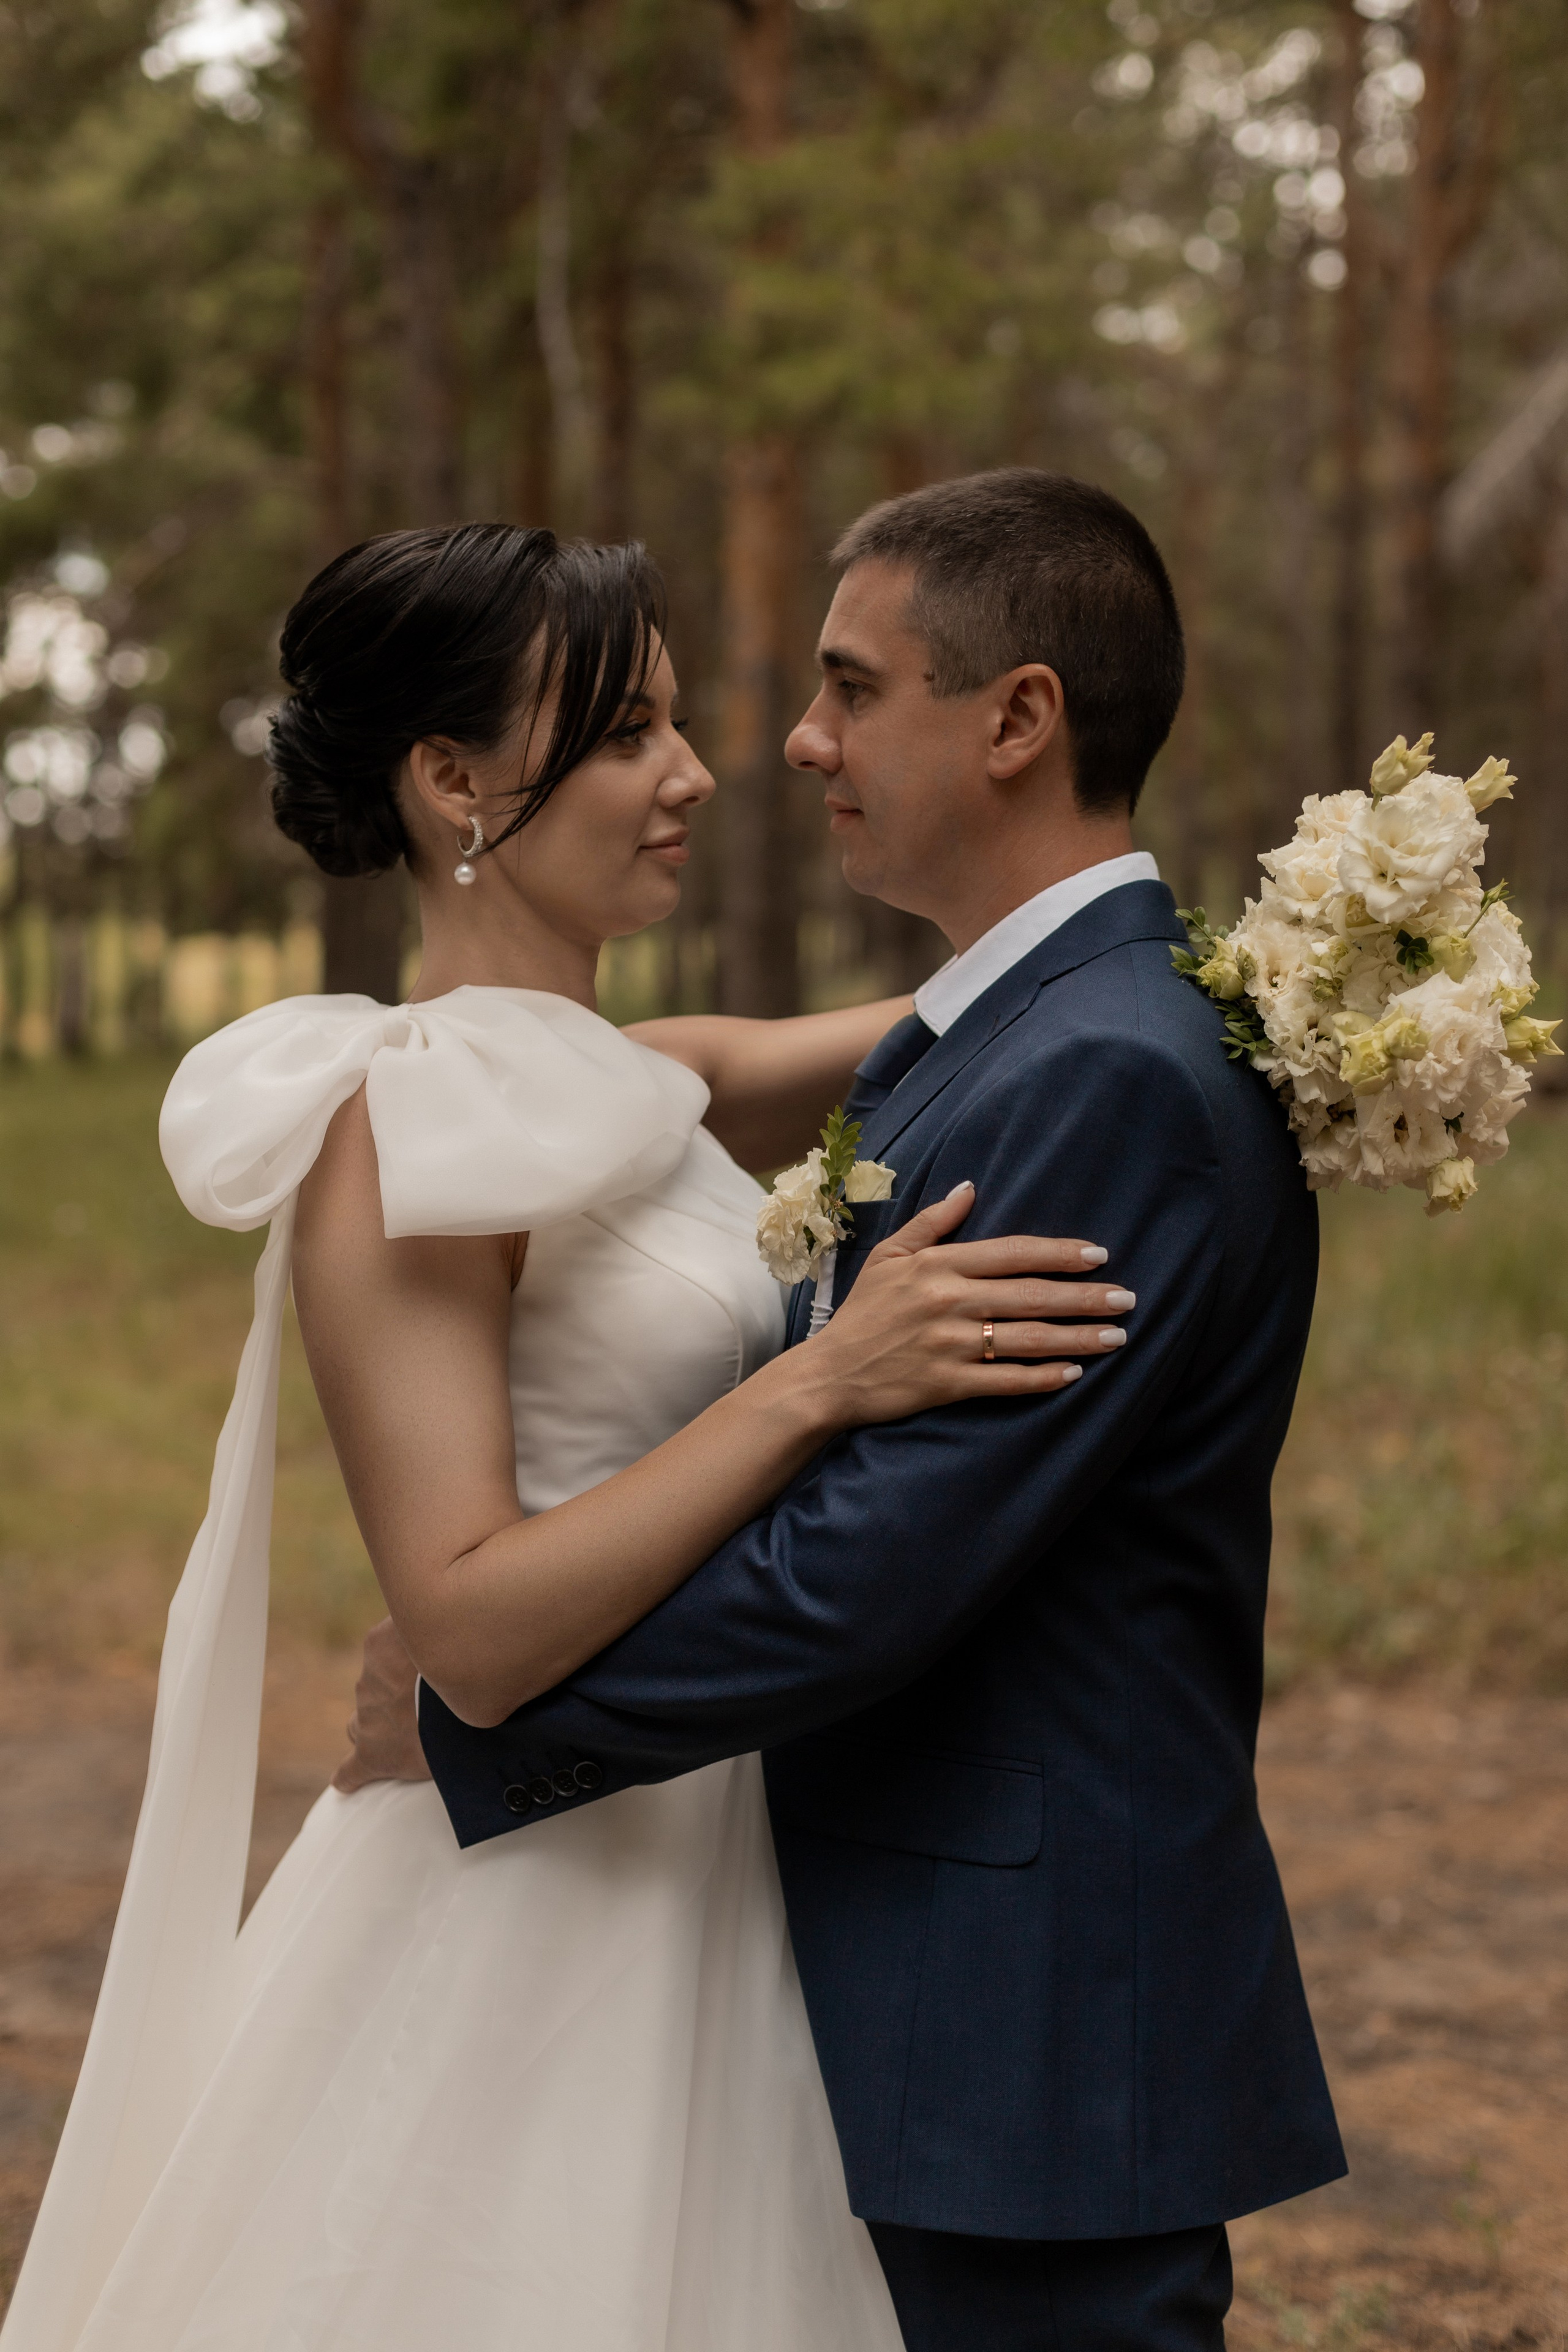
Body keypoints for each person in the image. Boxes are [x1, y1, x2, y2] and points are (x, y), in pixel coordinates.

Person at [0, 521, 1133, 2352]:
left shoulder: (653, 1069)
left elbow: (1009, 1017)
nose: (693, 775)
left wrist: (1293, 975)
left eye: (676, 724)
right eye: (624, 736)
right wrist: (819, 1383)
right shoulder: (397, 1133)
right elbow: (466, 1623)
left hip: (715, 1841)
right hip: (527, 1903)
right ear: (455, 781)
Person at [382, 471, 1348, 2352]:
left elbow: (876, 1566)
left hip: (1028, 2018)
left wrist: (484, 1707)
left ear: (1016, 719)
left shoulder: (1104, 1073)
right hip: (926, 1976)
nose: (798, 743)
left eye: (851, 686)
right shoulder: (1006, 1029)